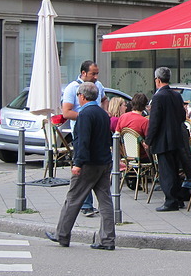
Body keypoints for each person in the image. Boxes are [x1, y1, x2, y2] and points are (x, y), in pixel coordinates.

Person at [45, 82, 116, 250]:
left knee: (73, 199)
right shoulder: (103, 114)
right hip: (104, 162)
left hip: (88, 164)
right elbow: (107, 138)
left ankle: (62, 234)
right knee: (105, 201)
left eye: (78, 96)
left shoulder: (84, 115)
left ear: (82, 97)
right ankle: (108, 240)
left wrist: (78, 163)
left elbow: (82, 142)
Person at [61, 60, 107, 217]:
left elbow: (104, 99)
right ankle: (86, 205)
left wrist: (103, 113)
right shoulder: (72, 88)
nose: (96, 76)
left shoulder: (98, 86)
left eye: (97, 73)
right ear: (83, 73)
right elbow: (66, 112)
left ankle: (99, 209)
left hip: (99, 135)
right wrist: (87, 117)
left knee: (92, 173)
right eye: (93, 73)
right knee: (84, 166)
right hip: (81, 132)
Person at [145, 67, 191, 212]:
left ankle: (171, 200)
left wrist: (149, 140)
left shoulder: (158, 97)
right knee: (175, 169)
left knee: (166, 171)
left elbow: (154, 121)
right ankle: (177, 198)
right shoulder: (176, 95)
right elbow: (181, 116)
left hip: (163, 139)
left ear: (157, 80)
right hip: (176, 137)